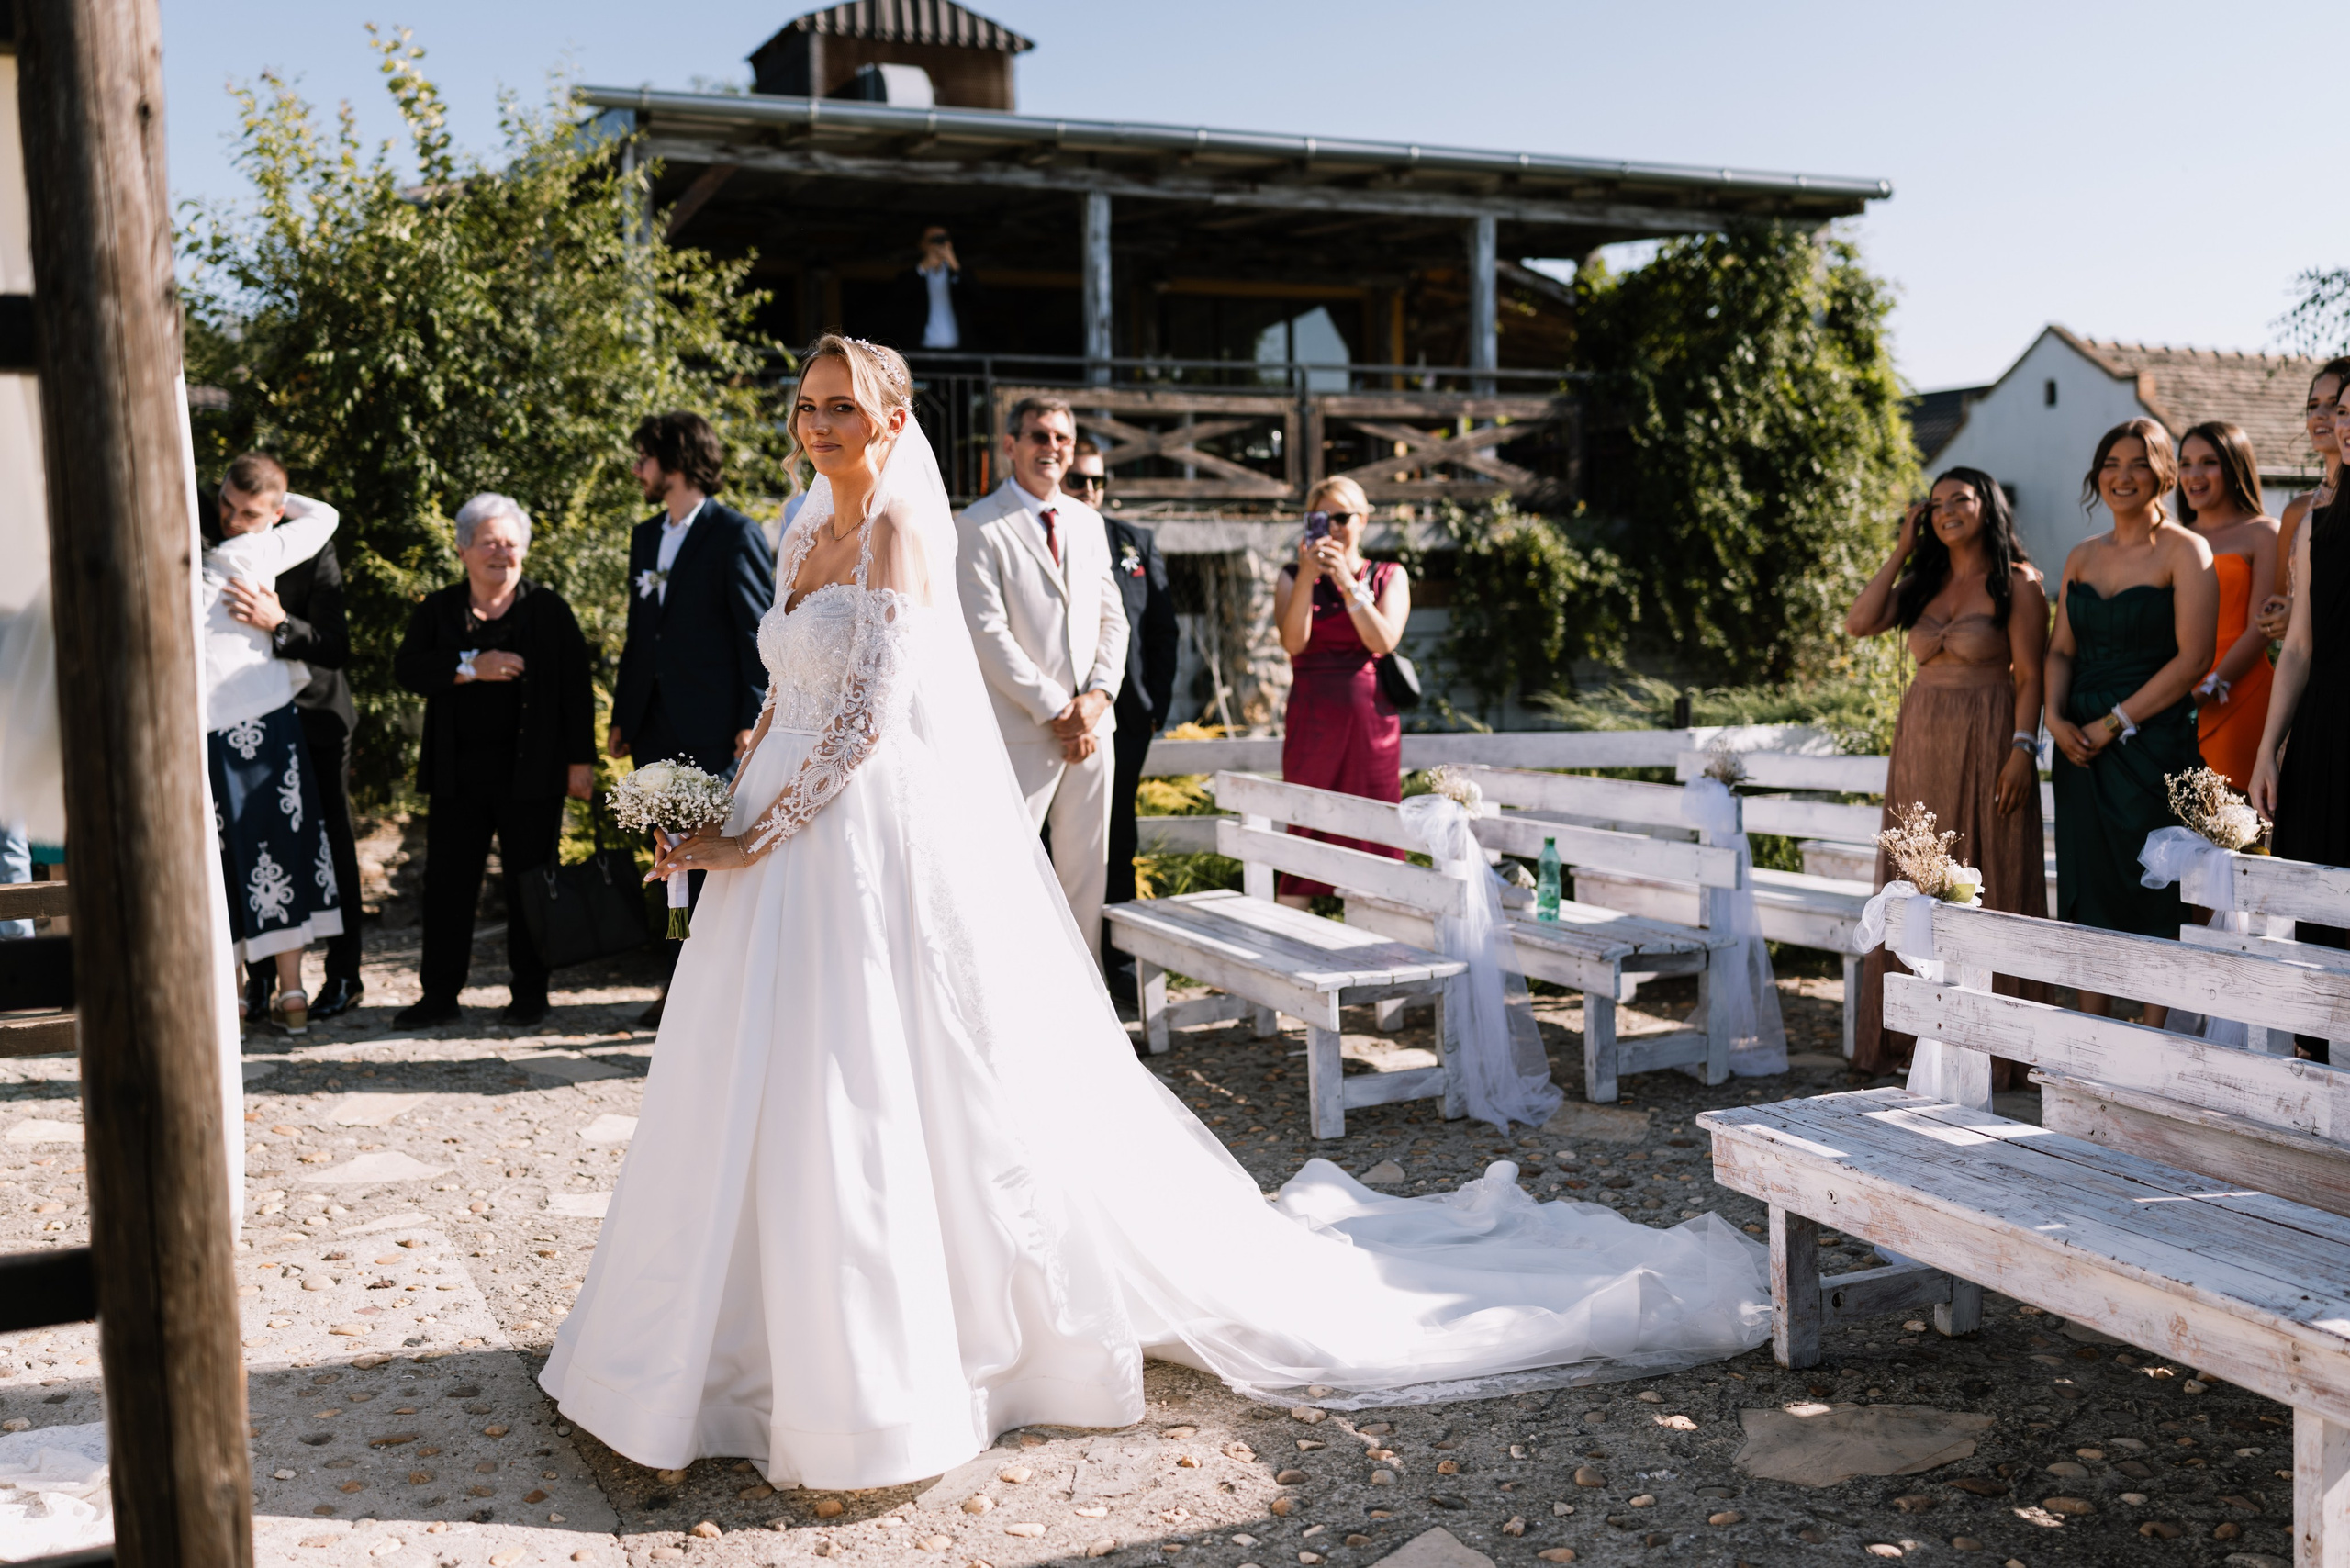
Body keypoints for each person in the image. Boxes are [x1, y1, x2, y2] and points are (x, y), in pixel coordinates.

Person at [538, 335, 1769, 1494]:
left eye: (841, 407)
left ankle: (881, 1373)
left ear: (893, 420)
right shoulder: (800, 518)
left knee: (861, 1075)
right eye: (806, 406)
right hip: (776, 819)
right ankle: (709, 1342)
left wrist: (748, 828)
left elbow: (863, 722)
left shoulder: (907, 533)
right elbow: (786, 692)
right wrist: (719, 792)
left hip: (845, 830)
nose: (817, 425)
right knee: (752, 1074)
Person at [1842, 469, 2050, 1078]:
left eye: (1958, 499)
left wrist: (2023, 748)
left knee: (1991, 876)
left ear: (1987, 505)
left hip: (1989, 737)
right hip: (1921, 742)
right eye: (1934, 505)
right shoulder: (1923, 582)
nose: (1945, 511)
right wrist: (1904, 546)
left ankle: (1997, 1042)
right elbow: (1859, 622)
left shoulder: (2019, 583)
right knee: (1914, 877)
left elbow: (2032, 676)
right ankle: (1912, 1034)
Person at [391, 495, 596, 1028]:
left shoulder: (548, 609)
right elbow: (409, 669)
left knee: (530, 886)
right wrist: (468, 665)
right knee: (448, 887)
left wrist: (581, 763)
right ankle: (439, 996)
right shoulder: (438, 609)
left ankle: (530, 993)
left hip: (533, 775)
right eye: (489, 542)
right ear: (463, 550)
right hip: (458, 777)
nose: (500, 552)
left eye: (510, 543)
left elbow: (577, 689)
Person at [2045, 420, 2217, 1025]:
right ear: (2097, 475)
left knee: (2152, 881)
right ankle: (2090, 1022)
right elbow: (2061, 648)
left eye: (2138, 463)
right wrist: (2054, 718)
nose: (2122, 475)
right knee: (2090, 879)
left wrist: (2115, 721)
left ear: (2162, 474)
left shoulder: (2184, 550)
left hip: (2152, 742)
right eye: (2111, 463)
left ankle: (2154, 1026)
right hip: (2077, 746)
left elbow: (2194, 658)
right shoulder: (2082, 555)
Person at [610, 411, 776, 1024]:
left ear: (674, 461)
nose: (638, 470)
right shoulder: (646, 535)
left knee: (708, 855)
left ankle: (708, 985)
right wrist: (623, 717)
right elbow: (638, 635)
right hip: (654, 726)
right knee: (668, 854)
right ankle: (678, 979)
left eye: (645, 459)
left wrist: (749, 718)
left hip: (711, 726)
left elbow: (757, 633)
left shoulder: (733, 534)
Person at [956, 393, 1129, 961]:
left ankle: (1085, 1006)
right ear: (1011, 445)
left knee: (1086, 878)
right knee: (1005, 873)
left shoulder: (1088, 522)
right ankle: (1003, 996)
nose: (1051, 448)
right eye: (1039, 436)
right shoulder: (978, 526)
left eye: (1061, 438)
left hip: (1093, 731)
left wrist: (1098, 697)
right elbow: (986, 633)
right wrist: (1061, 708)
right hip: (1023, 732)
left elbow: (1113, 619)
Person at [203, 454, 344, 1035]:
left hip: (251, 716)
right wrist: (281, 507)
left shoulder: (229, 550)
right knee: (228, 852)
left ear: (274, 513)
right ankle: (253, 993)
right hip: (212, 721)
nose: (235, 520)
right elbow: (324, 514)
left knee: (257, 848)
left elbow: (324, 517)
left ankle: (280, 992)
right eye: (228, 507)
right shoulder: (250, 548)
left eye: (250, 512)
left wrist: (276, 508)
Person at [2252, 377, 2350, 1061]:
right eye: (2343, 413)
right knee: (2317, 919)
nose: (2346, 424)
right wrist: (2268, 749)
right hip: (2325, 735)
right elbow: (2299, 649)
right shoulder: (2318, 522)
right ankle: (2315, 1090)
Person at [1271, 476, 1412, 906]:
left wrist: (1348, 584)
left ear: (1363, 519)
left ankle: (1385, 950)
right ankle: (1290, 951)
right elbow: (1294, 642)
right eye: (1320, 518)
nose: (1332, 527)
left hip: (1370, 724)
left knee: (1375, 830)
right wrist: (1310, 578)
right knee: (1308, 828)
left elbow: (1382, 641)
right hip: (1313, 721)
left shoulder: (1389, 575)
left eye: (1341, 516)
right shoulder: (1293, 575)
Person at [1073, 440, 1178, 988]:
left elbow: (1162, 630)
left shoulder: (1135, 542)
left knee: (1120, 838)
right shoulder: (1048, 536)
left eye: (1097, 481)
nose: (1089, 491)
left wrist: (1154, 705)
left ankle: (1119, 968)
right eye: (1078, 481)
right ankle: (1069, 962)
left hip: (1128, 716)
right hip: (1058, 718)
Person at [2176, 422, 2278, 794]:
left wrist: (2206, 690)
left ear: (2235, 467)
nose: (2194, 475)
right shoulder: (2172, 539)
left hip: (2242, 693)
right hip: (2174, 699)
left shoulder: (2264, 533)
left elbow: (2262, 626)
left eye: (2208, 462)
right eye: (2185, 464)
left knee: (2243, 830)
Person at [2256, 358, 2350, 641]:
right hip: (2306, 670)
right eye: (2312, 406)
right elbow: (2274, 607)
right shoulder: (2298, 512)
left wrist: (2301, 612)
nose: (2319, 415)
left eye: (2335, 405)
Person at [896, 225, 980, 353]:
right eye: (933, 240)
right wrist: (923, 267)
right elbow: (898, 298)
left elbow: (978, 298)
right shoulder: (912, 274)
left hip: (959, 352)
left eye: (943, 239)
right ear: (922, 245)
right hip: (920, 351)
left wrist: (956, 267)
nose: (939, 244)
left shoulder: (959, 273)